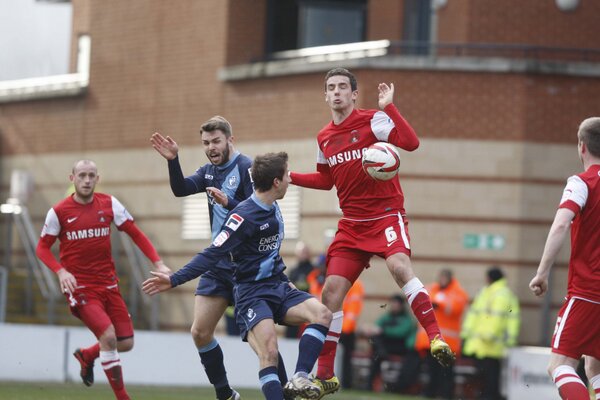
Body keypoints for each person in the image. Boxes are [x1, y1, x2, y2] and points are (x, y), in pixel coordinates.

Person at [289, 67, 455, 398]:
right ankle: (325, 375)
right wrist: (289, 176)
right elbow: (326, 180)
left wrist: (390, 106)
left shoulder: (373, 120)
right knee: (330, 293)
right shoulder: (324, 137)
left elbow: (411, 142)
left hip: (385, 216)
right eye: (331, 88)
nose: (336, 92)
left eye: (342, 87)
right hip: (352, 223)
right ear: (325, 96)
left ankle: (435, 336)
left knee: (398, 268)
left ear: (353, 93)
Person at [143, 152, 333, 400]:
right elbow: (211, 253)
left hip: (278, 285)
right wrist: (174, 278)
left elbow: (252, 214)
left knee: (322, 314)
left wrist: (230, 203)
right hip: (252, 294)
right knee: (270, 353)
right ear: (276, 182)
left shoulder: (269, 204)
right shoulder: (242, 217)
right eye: (287, 174)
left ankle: (300, 377)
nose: (290, 178)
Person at [152, 116, 273, 400]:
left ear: (231, 139)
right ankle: (225, 394)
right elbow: (180, 189)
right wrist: (173, 160)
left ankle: (283, 393)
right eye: (206, 143)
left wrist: (229, 203)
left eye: (216, 141)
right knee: (200, 332)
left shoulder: (248, 169)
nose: (211, 148)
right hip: (218, 265)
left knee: (264, 347)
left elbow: (260, 211)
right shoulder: (208, 172)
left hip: (248, 267)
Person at [35, 159, 171, 400]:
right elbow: (42, 248)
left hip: (109, 284)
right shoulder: (58, 212)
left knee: (125, 342)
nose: (87, 180)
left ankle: (87, 355)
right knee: (108, 337)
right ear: (72, 178)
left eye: (91, 176)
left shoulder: (109, 204)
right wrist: (61, 271)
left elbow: (135, 234)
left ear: (97, 179)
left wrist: (158, 262)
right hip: (80, 287)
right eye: (82, 175)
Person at [529, 117, 600, 400]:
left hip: (588, 291)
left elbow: (561, 224)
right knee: (594, 365)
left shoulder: (582, 182)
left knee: (559, 365)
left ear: (581, 147)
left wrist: (542, 272)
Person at [461, 267, 520, 400]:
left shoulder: (500, 294)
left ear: (491, 278)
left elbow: (497, 318)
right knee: (485, 372)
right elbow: (476, 315)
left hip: (491, 342)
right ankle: (485, 395)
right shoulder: (488, 292)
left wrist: (488, 335)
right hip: (481, 343)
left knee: (491, 373)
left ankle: (490, 396)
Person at [306, 256, 364, 389]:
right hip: (326, 325)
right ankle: (324, 379)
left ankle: (345, 384)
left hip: (343, 328)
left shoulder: (351, 283)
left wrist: (344, 329)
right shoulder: (316, 280)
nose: (319, 269)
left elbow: (352, 309)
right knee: (325, 355)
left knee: (344, 359)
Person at [415, 269, 469, 399]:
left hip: (448, 341)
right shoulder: (432, 288)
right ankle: (430, 393)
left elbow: (455, 308)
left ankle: (446, 395)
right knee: (431, 370)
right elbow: (421, 300)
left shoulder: (458, 293)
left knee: (446, 371)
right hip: (431, 340)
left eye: (444, 277)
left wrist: (439, 303)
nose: (442, 280)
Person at [362, 294, 418, 393]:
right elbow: (376, 327)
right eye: (392, 303)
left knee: (378, 347)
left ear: (401, 306)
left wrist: (383, 330)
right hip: (386, 346)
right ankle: (369, 384)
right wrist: (370, 329)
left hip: (401, 346)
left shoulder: (406, 319)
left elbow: (401, 332)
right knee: (376, 350)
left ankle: (397, 387)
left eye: (396, 304)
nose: (393, 306)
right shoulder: (387, 317)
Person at [286, 241, 316, 338]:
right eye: (302, 252)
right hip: (293, 309)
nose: (304, 254)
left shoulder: (314, 271)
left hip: (309, 310)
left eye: (306, 252)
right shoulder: (293, 271)